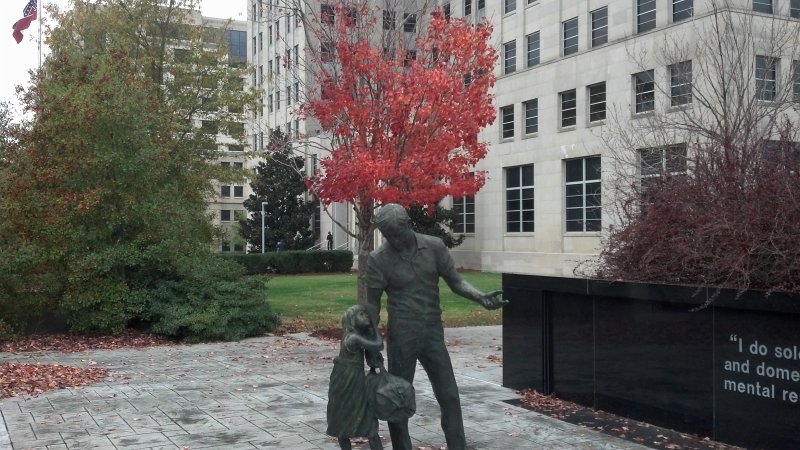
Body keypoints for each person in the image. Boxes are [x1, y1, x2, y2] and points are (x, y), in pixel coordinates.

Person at [365, 203, 506, 450]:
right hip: (402, 336)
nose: (393, 240)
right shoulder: (378, 259)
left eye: (397, 234)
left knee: (449, 396)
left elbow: (456, 281)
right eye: (388, 236)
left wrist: (480, 297)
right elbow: (372, 306)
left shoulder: (434, 246)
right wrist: (371, 341)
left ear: (409, 225)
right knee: (397, 400)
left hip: (432, 333)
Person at [326, 305, 385, 450]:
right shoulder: (353, 338)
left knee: (360, 414)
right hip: (348, 378)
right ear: (351, 320)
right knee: (346, 413)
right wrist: (374, 327)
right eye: (361, 314)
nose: (366, 316)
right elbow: (378, 345)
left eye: (366, 313)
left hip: (351, 376)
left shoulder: (354, 335)